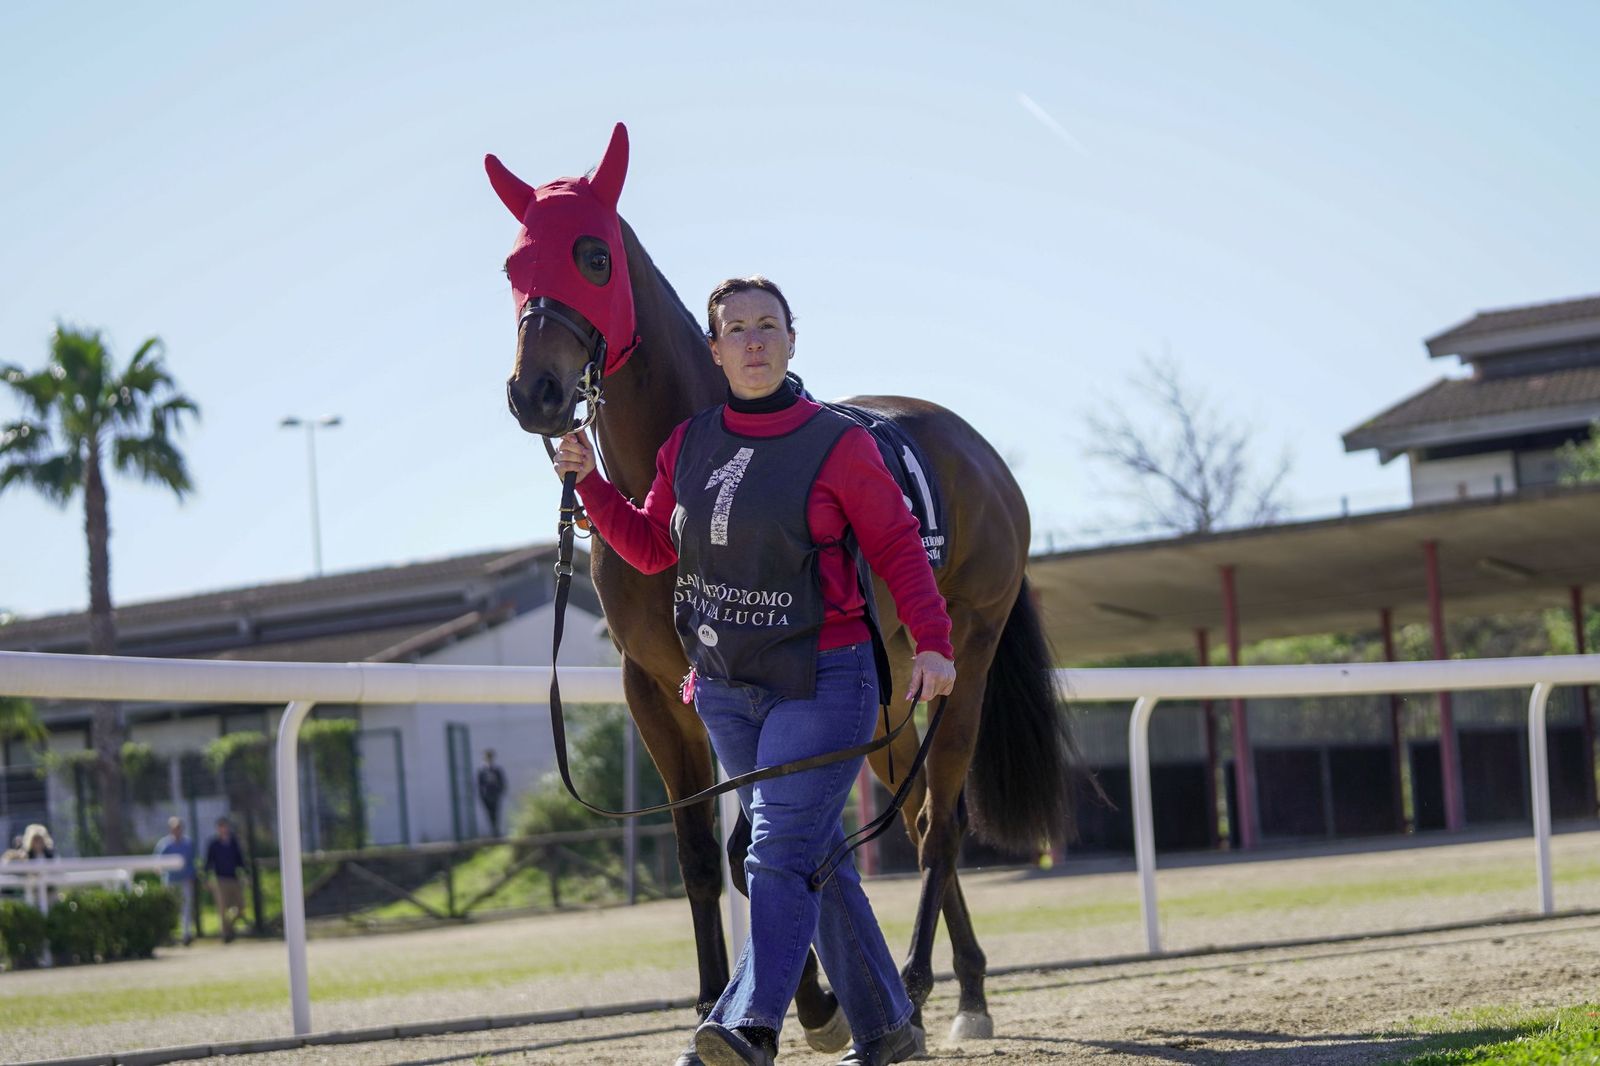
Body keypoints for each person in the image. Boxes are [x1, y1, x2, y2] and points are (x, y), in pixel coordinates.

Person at [552, 276, 954, 1066]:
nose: (754, 340)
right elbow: (650, 548)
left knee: (773, 848)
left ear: (793, 340)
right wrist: (590, 481)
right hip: (727, 693)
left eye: (768, 325)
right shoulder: (689, 444)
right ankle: (888, 1028)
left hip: (824, 678)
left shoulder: (840, 442)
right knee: (814, 855)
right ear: (716, 350)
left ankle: (748, 1026)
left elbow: (899, 548)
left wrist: (934, 641)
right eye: (737, 329)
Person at [203, 816, 248, 943]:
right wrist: (206, 878)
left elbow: (241, 860)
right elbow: (208, 862)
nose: (223, 829)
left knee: (241, 908)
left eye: (225, 826)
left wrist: (246, 874)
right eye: (221, 827)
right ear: (218, 829)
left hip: (234, 878)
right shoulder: (213, 844)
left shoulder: (234, 842)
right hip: (220, 880)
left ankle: (229, 928)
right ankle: (225, 935)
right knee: (222, 909)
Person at [154, 816, 198, 945]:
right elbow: (158, 863)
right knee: (169, 908)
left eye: (179, 828)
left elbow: (192, 862)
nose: (177, 831)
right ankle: (168, 935)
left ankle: (186, 934)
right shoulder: (164, 845)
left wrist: (192, 876)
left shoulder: (188, 843)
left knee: (186, 907)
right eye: (174, 828)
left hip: (185, 880)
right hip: (170, 881)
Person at [477, 749, 507, 837]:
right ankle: (493, 831)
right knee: (489, 814)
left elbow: (502, 782)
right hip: (486, 796)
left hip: (495, 795)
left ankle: (495, 832)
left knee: (495, 813)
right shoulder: (482, 771)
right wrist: (482, 795)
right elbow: (480, 784)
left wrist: (500, 792)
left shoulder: (497, 770)